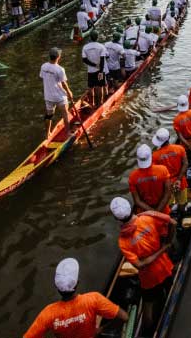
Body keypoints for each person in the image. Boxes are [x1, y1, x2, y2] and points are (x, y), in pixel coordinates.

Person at [110, 197, 175, 331]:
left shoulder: (123, 242)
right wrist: (165, 245)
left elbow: (140, 265)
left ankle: (147, 332)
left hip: (148, 277)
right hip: (165, 266)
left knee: (148, 306)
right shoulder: (147, 218)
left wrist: (161, 249)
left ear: (117, 219)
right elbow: (172, 223)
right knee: (169, 289)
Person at [23, 257, 127, 338]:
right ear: (77, 283)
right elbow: (124, 317)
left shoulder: (48, 314)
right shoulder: (93, 299)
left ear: (56, 286)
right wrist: (100, 330)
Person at [151, 128, 189, 217]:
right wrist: (179, 180)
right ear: (168, 138)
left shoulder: (155, 156)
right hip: (180, 181)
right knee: (182, 200)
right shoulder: (179, 148)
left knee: (169, 201)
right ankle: (182, 214)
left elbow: (156, 174)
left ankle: (172, 216)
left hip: (167, 184)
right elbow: (185, 164)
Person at [39, 48, 74, 137]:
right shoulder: (60, 69)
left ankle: (47, 134)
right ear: (58, 57)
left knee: (48, 116)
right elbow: (63, 82)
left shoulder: (43, 66)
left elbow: (42, 77)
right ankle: (68, 133)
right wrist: (69, 92)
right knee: (65, 114)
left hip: (48, 96)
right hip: (59, 96)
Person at [129, 144, 172, 214]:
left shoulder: (133, 176)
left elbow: (137, 201)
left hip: (145, 212)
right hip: (163, 209)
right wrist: (158, 211)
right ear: (151, 156)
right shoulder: (163, 170)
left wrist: (152, 212)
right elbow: (168, 193)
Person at [82, 30, 107, 107]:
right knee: (100, 87)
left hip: (90, 71)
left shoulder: (85, 47)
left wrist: (94, 65)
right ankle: (100, 104)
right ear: (97, 37)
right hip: (99, 70)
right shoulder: (101, 47)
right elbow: (102, 60)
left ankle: (92, 103)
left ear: (90, 37)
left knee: (90, 87)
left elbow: (84, 60)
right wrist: (101, 71)